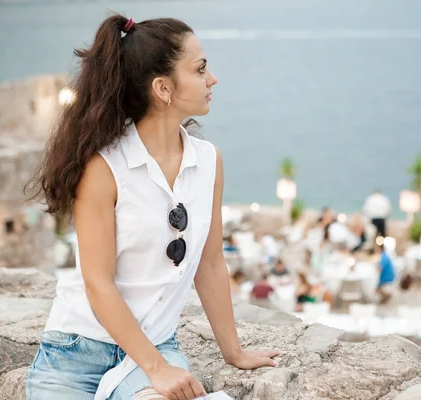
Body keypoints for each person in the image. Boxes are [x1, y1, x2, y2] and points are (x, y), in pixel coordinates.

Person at [24, 14, 279, 400]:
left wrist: (234, 352)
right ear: (163, 88)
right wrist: (156, 369)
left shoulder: (209, 161)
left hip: (157, 345)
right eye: (201, 69)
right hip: (76, 355)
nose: (213, 79)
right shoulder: (104, 167)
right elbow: (98, 282)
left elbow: (210, 264)